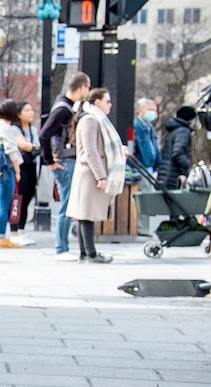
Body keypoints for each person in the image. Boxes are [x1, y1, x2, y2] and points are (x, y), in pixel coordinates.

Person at [66, 88, 125, 264]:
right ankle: (90, 253)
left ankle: (86, 253)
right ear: (97, 102)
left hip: (89, 171)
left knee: (85, 214)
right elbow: (91, 150)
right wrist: (101, 176)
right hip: (90, 172)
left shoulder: (92, 119)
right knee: (87, 214)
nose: (110, 105)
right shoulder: (90, 120)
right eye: (107, 101)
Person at [41, 72, 91, 261]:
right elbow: (44, 135)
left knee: (68, 204)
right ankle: (61, 248)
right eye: (87, 87)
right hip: (64, 160)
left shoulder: (63, 106)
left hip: (63, 159)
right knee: (68, 205)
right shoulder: (63, 109)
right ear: (82, 87)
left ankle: (62, 246)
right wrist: (50, 161)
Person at [0, 99, 25, 249]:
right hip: (5, 169)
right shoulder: (7, 129)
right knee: (4, 205)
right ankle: (2, 238)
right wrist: (17, 170)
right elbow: (11, 151)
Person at [9, 101, 40, 245]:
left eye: (31, 110)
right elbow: (23, 145)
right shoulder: (14, 129)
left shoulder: (33, 130)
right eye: (27, 110)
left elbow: (35, 146)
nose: (30, 113)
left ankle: (21, 231)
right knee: (18, 199)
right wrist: (35, 148)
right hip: (20, 167)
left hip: (32, 166)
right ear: (19, 114)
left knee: (27, 198)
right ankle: (14, 232)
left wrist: (35, 148)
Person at [158, 105, 196, 190]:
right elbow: (178, 153)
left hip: (165, 175)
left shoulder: (175, 130)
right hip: (172, 176)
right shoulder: (183, 132)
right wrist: (188, 167)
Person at [132, 98, 160, 175]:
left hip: (150, 169)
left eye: (155, 110)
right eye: (150, 110)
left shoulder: (151, 129)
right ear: (141, 110)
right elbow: (131, 150)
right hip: (139, 169)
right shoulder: (134, 127)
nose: (153, 113)